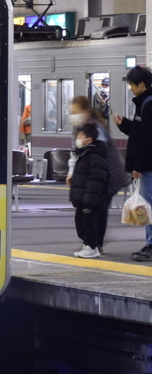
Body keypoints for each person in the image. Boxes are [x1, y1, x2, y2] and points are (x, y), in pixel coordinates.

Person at [66, 94, 128, 253]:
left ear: (85, 112)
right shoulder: (85, 127)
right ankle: (92, 242)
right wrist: (72, 171)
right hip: (100, 175)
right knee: (94, 210)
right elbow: (78, 152)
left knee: (97, 209)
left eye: (75, 111)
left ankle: (94, 244)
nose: (72, 115)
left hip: (108, 176)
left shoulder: (95, 128)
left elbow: (98, 157)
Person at [114, 65, 152, 261]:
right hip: (147, 165)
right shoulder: (143, 103)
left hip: (149, 167)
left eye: (131, 84)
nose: (130, 88)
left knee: (148, 206)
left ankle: (151, 244)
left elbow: (147, 140)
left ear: (142, 84)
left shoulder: (149, 104)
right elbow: (138, 133)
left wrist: (139, 166)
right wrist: (124, 124)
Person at [68, 122, 110, 258]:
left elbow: (96, 181)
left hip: (90, 200)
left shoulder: (95, 157)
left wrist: (90, 201)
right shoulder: (84, 155)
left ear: (89, 140)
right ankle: (88, 245)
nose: (78, 139)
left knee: (89, 224)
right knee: (81, 224)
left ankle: (91, 247)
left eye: (81, 136)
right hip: (83, 198)